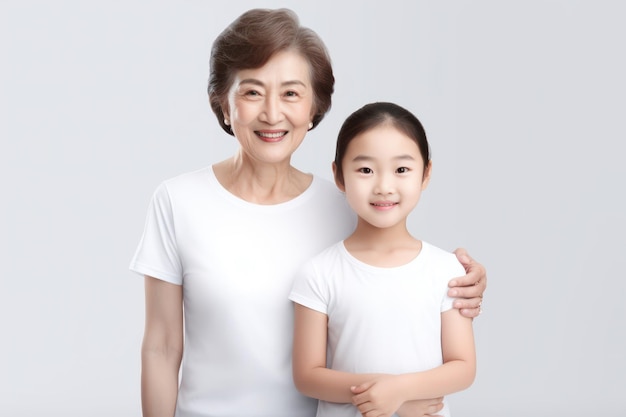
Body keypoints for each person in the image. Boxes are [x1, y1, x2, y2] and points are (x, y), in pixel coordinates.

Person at [130, 8, 486, 417]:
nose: (272, 113)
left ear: (314, 107)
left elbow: (405, 281)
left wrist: (463, 282)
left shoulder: (345, 205)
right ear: (223, 103)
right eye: (251, 91)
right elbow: (161, 345)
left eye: (291, 93)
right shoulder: (178, 201)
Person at [290, 102, 476, 417]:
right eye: (365, 170)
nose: (384, 187)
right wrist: (388, 393)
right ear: (339, 175)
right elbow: (307, 376)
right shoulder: (319, 273)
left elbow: (463, 366)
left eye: (402, 169)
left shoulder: (446, 270)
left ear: (426, 173)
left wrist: (400, 391)